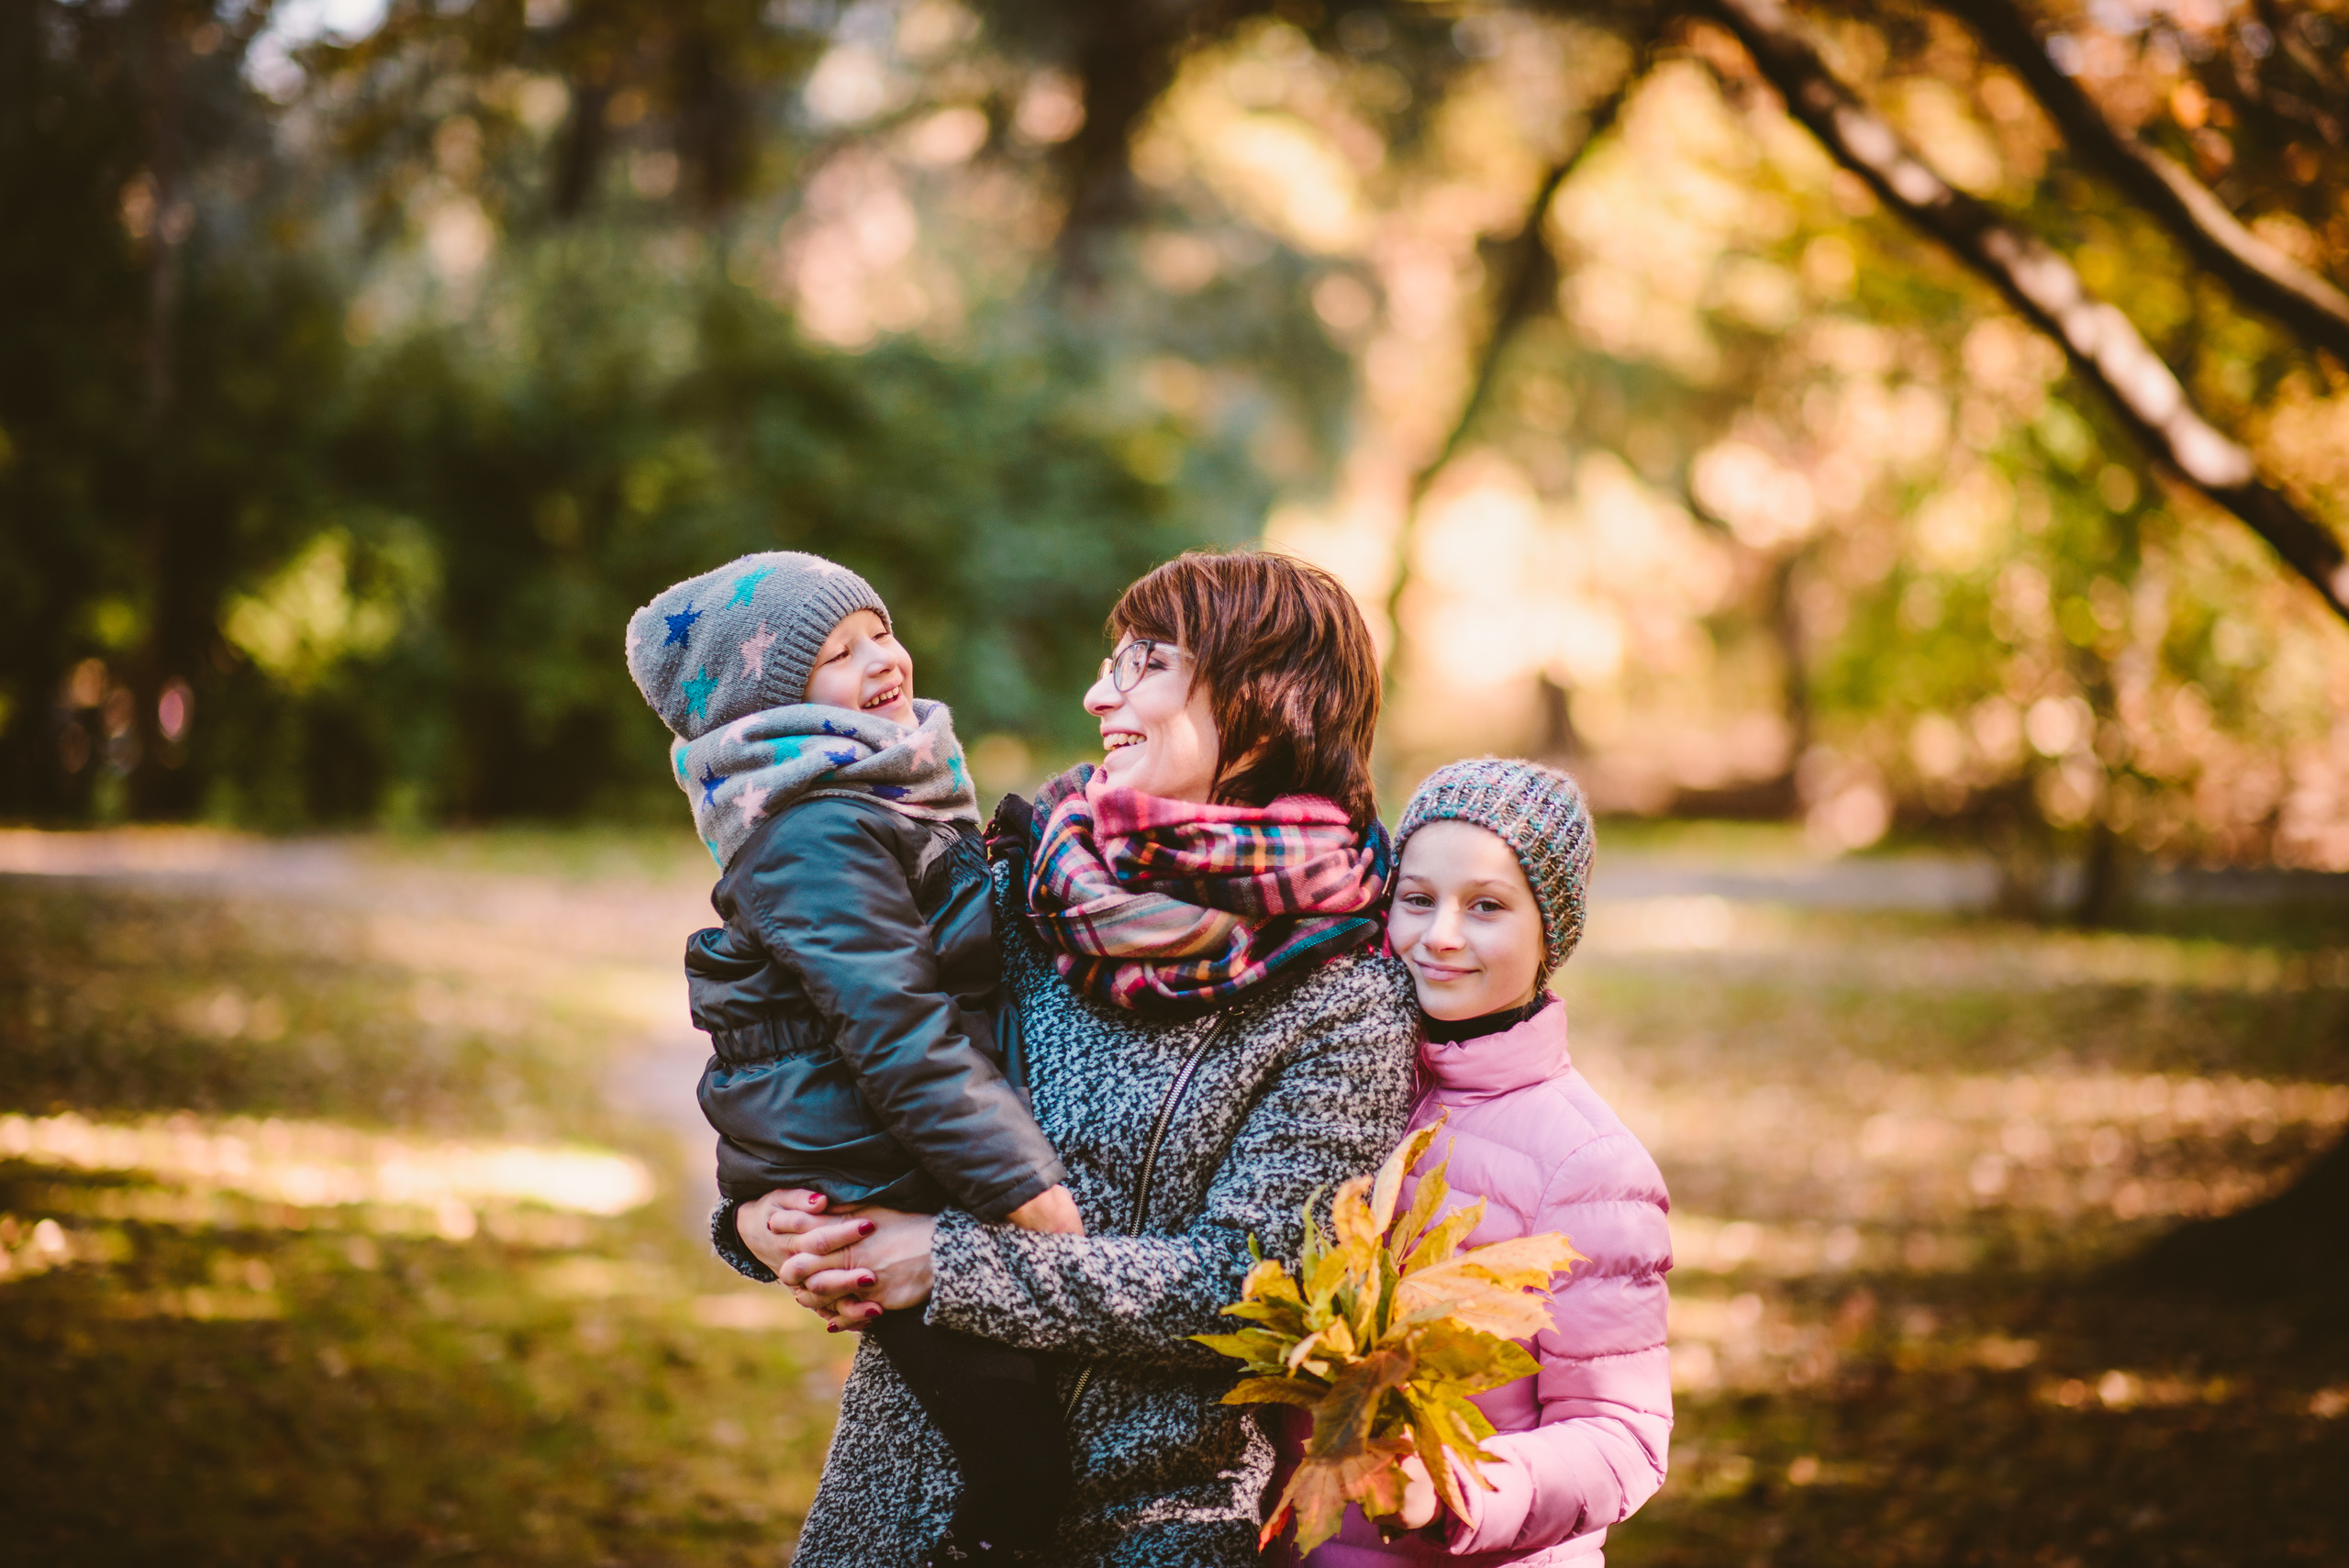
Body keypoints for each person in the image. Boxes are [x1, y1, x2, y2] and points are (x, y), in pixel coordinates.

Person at [731, 550, 1422, 1568]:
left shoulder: (1344, 992)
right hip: (888, 1503)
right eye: (1111, 662)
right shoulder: (1019, 882)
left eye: (1147, 663)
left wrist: (948, 1264)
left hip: (1149, 1522)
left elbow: (1255, 1288)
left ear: (1267, 704)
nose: (1099, 695)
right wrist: (766, 1220)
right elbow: (831, 1059)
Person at [625, 550, 1086, 1562]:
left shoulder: (871, 792)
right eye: (837, 655)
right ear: (774, 711)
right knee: (1021, 1467)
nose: (882, 658)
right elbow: (895, 1024)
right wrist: (1023, 1185)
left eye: (879, 630)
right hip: (865, 1179)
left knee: (1019, 1447)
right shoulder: (813, 831)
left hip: (882, 1154)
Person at [1279, 758, 1672, 1565]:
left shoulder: (1589, 1167)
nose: (1441, 935)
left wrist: (1454, 1486)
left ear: (1550, 932)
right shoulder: (1333, 1092)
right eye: (1417, 899)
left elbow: (1621, 1435)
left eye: (1485, 905)